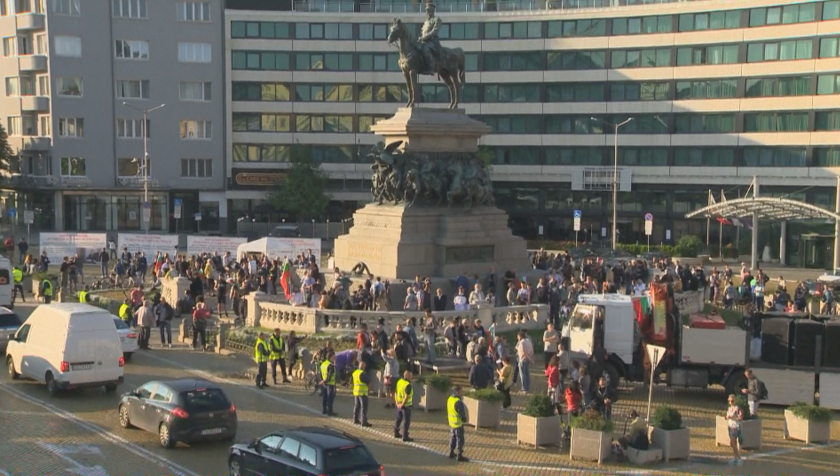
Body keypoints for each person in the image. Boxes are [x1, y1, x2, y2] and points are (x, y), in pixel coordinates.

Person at [447, 386, 469, 462]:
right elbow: (461, 413)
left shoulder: (450, 399)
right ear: (457, 392)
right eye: (461, 392)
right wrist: (464, 419)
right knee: (460, 439)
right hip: (458, 423)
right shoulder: (458, 402)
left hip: (451, 423)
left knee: (452, 437)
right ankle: (459, 455)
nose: (462, 393)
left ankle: (451, 452)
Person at [394, 370, 414, 442]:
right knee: (406, 422)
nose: (412, 377)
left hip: (398, 404)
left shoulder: (399, 382)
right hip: (406, 406)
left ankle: (396, 432)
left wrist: (397, 403)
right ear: (407, 376)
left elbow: (396, 392)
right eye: (411, 376)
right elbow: (407, 396)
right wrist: (402, 404)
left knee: (398, 419)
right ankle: (405, 436)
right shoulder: (408, 385)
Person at [725, 394, 744, 466]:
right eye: (729, 401)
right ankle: (735, 457)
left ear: (735, 401)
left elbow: (741, 418)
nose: (730, 402)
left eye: (732, 401)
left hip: (735, 427)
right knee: (734, 443)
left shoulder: (738, 409)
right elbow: (727, 417)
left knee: (732, 442)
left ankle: (739, 458)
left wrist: (733, 418)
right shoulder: (729, 409)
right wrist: (727, 417)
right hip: (730, 426)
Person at [352, 361, 372, 427]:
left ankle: (355, 419)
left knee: (357, 406)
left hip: (356, 392)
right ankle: (364, 422)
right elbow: (369, 383)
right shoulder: (363, 374)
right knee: (364, 408)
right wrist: (368, 391)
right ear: (363, 367)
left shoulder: (355, 373)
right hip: (363, 393)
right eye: (364, 366)